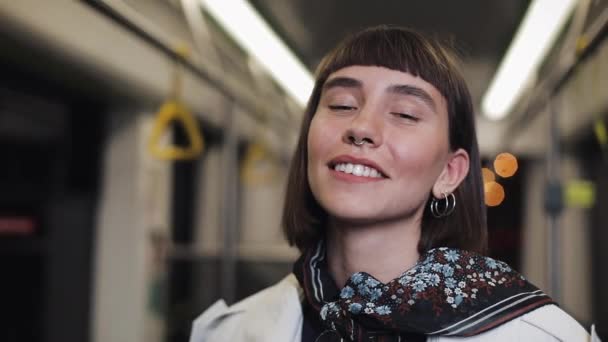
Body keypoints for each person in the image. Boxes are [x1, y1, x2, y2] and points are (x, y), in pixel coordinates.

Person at [189, 25, 592, 341]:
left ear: (449, 173)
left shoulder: (537, 334)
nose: (361, 127)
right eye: (342, 105)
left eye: (404, 113)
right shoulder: (230, 332)